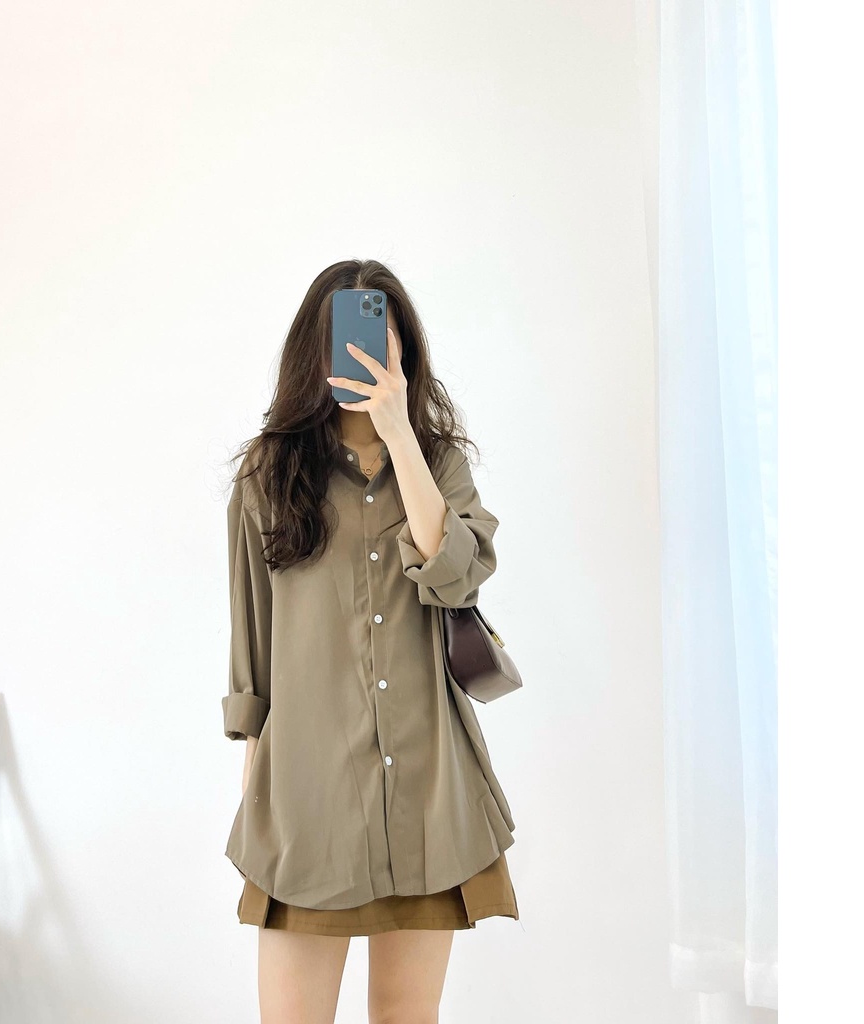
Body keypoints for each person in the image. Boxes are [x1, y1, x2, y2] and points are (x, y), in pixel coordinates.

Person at [222, 260, 518, 1024]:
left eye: (379, 339)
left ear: (403, 350)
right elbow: (252, 636)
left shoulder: (439, 464)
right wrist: (256, 782)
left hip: (427, 792)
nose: (362, 354)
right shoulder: (268, 474)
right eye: (344, 339)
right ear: (313, 352)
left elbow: (457, 577)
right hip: (308, 795)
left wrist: (400, 435)